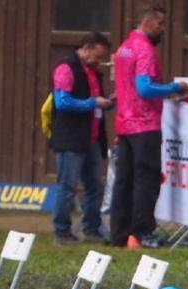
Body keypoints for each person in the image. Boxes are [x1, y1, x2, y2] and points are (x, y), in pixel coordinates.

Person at [110, 6, 188, 250]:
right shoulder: (145, 50)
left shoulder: (124, 47)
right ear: (147, 23)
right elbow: (145, 88)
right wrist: (173, 88)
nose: (163, 30)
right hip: (144, 123)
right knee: (146, 180)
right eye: (160, 25)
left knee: (123, 181)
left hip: (124, 123)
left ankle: (119, 232)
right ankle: (142, 232)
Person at [50, 32, 114, 246]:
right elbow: (62, 102)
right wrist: (93, 103)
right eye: (98, 55)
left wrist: (107, 102)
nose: (100, 61)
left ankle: (92, 228)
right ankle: (62, 231)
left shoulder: (94, 73)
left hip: (92, 139)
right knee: (67, 187)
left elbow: (94, 103)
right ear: (86, 48)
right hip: (71, 139)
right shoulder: (65, 69)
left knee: (95, 186)